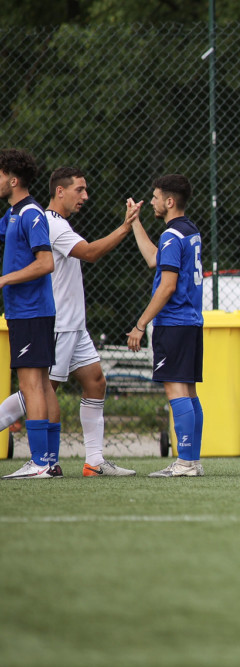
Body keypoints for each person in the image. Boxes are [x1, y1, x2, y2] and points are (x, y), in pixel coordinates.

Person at [0, 167, 141, 476]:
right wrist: (124, 227)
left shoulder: (55, 222)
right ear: (60, 191)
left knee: (95, 382)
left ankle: (94, 462)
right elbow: (90, 252)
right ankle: (46, 461)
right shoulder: (49, 222)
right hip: (58, 324)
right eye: (80, 189)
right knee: (39, 390)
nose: (85, 196)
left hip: (74, 325)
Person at [128, 174, 206, 477]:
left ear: (170, 201)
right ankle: (192, 461)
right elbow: (154, 260)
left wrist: (140, 324)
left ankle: (184, 462)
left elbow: (167, 285)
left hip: (173, 323)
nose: (152, 202)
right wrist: (135, 222)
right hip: (190, 322)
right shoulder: (189, 231)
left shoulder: (172, 236)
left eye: (156, 197)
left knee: (176, 390)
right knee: (188, 391)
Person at [0, 149, 61, 480]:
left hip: (31, 311)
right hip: (26, 312)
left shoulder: (31, 213)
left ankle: (39, 463)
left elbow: (45, 263)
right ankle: (49, 461)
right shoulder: (12, 214)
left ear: (13, 180)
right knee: (42, 384)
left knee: (31, 385)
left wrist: (5, 279)